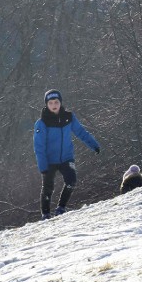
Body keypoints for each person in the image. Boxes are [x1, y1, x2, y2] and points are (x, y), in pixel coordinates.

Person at [33, 89, 100, 220]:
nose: (54, 105)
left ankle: (61, 208)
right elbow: (38, 146)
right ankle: (45, 214)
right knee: (48, 188)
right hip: (49, 160)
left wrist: (94, 144)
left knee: (71, 181)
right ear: (46, 104)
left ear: (60, 103)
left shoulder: (69, 117)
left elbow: (81, 132)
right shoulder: (41, 123)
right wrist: (43, 166)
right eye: (51, 102)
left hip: (66, 157)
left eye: (56, 102)